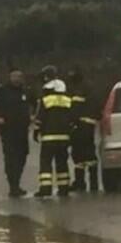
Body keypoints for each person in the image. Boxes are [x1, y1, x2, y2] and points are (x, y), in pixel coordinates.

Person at [0, 68, 34, 197]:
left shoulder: (26, 91)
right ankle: (13, 186)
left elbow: (37, 103)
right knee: (11, 158)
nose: (17, 79)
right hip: (8, 130)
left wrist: (33, 116)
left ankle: (17, 182)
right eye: (14, 76)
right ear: (10, 77)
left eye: (19, 76)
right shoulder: (2, 91)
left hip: (23, 130)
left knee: (22, 156)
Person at [33, 65, 73, 198]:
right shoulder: (67, 100)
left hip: (49, 137)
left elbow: (40, 118)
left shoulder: (45, 100)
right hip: (64, 138)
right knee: (62, 162)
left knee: (46, 163)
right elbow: (71, 118)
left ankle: (46, 188)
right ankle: (64, 188)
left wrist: (36, 131)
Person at [67, 69, 100, 192]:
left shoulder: (78, 90)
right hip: (88, 126)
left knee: (79, 155)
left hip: (80, 125)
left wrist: (71, 123)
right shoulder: (89, 88)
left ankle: (81, 183)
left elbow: (73, 109)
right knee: (87, 154)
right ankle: (92, 184)